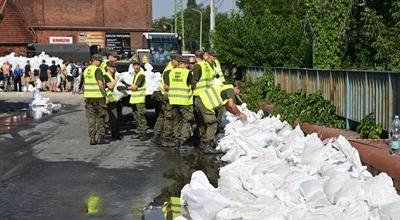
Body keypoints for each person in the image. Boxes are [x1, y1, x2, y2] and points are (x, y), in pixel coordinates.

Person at [195, 82, 247, 153]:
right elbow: (231, 104)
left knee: (204, 123)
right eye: (239, 92)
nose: (238, 94)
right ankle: (207, 145)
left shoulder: (224, 87)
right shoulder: (230, 90)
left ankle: (202, 142)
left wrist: (236, 114)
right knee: (212, 123)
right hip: (204, 103)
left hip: (199, 100)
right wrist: (240, 114)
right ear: (237, 88)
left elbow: (227, 107)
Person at [164, 55, 195, 147]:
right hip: (185, 101)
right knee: (187, 120)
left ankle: (176, 138)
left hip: (173, 100)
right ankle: (183, 139)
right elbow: (193, 85)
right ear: (185, 64)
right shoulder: (188, 73)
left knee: (176, 120)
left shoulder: (171, 72)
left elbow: (166, 86)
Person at [151, 52, 179, 146]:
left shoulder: (171, 69)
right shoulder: (169, 71)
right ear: (172, 60)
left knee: (162, 117)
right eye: (177, 61)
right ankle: (166, 139)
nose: (179, 63)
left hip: (166, 96)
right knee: (169, 117)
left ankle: (156, 136)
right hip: (167, 97)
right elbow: (166, 86)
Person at [83, 54, 108, 145]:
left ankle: (92, 138)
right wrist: (105, 95)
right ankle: (101, 137)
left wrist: (85, 95)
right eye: (99, 61)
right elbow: (100, 83)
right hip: (98, 97)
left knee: (91, 118)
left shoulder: (86, 70)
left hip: (89, 97)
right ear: (95, 60)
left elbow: (84, 84)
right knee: (101, 117)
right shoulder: (97, 70)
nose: (100, 62)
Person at [128, 61, 148, 141]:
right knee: (136, 117)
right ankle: (139, 133)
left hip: (140, 100)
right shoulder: (135, 75)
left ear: (140, 66)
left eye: (137, 65)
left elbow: (135, 87)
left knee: (141, 117)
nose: (136, 67)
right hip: (134, 99)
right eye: (135, 65)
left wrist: (126, 87)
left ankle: (143, 134)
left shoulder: (141, 75)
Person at [104, 61, 122, 140]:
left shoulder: (114, 75)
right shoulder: (106, 75)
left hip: (115, 99)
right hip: (109, 99)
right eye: (111, 67)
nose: (113, 68)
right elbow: (110, 86)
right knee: (112, 117)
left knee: (116, 117)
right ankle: (113, 133)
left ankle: (115, 132)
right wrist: (117, 79)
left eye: (114, 67)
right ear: (107, 67)